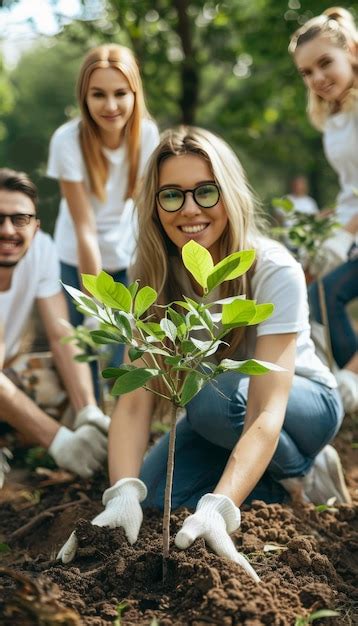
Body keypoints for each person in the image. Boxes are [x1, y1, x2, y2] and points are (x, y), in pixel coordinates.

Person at [58, 127, 351, 574]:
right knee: (155, 498)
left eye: (205, 192)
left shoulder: (272, 268)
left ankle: (301, 468)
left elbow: (266, 411)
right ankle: (274, 487)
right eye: (171, 196)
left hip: (299, 405)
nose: (189, 209)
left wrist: (220, 508)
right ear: (155, 208)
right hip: (217, 408)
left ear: (228, 193)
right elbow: (134, 404)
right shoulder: (154, 277)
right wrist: (121, 494)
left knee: (210, 395)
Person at [0, 168, 110, 483]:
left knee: (60, 385)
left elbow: (61, 334)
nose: (8, 230)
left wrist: (88, 410)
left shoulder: (41, 249)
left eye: (19, 219)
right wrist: (59, 441)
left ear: (35, 227)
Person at [47, 43, 160, 336]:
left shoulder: (147, 135)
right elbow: (85, 228)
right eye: (98, 94)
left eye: (120, 93)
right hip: (74, 261)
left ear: (135, 94)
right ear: (84, 97)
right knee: (84, 348)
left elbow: (147, 212)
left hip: (125, 259)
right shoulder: (67, 140)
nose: (110, 106)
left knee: (122, 359)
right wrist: (94, 304)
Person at [289, 7, 358, 413]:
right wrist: (324, 224)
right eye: (306, 72)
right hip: (350, 226)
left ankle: (351, 377)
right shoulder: (335, 116)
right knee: (315, 295)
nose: (317, 78)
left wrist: (346, 233)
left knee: (327, 293)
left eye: (324, 63)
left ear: (350, 50)